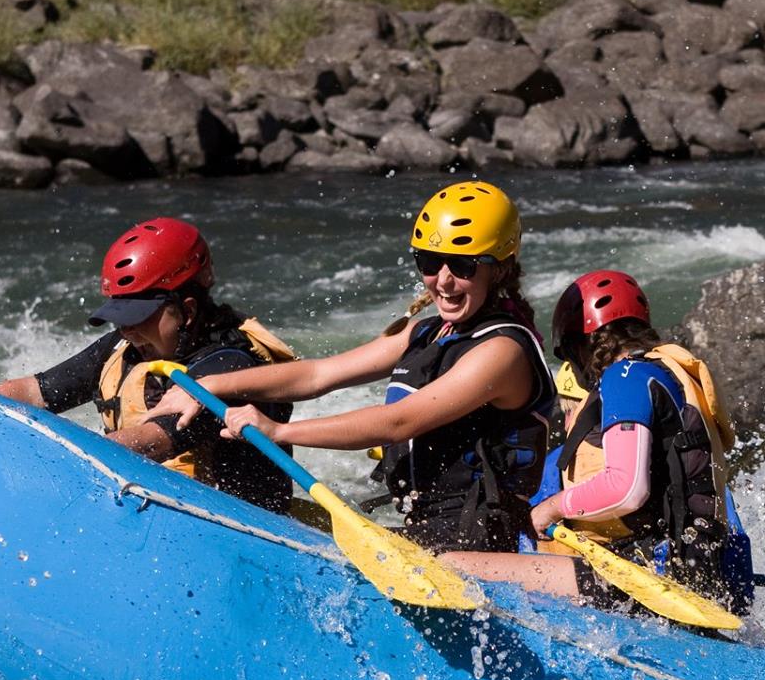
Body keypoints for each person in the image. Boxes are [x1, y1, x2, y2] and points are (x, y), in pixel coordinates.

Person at [146, 181, 556, 552]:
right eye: (430, 262)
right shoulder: (426, 332)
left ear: (498, 267)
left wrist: (280, 431)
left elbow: (399, 422)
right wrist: (211, 384)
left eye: (463, 266)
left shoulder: (504, 350)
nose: (443, 281)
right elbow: (317, 374)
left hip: (482, 539)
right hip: (431, 529)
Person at [444, 269, 756, 611]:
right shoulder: (667, 374)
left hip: (652, 580)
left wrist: (548, 509)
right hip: (698, 574)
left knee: (455, 565)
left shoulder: (626, 377)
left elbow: (626, 488)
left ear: (584, 343)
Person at [0, 217, 298, 514]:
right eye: (120, 319)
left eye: (137, 317)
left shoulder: (232, 365)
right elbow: (33, 393)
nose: (127, 330)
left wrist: (51, 463)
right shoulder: (125, 346)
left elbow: (151, 444)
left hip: (242, 528)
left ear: (187, 311)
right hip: (155, 509)